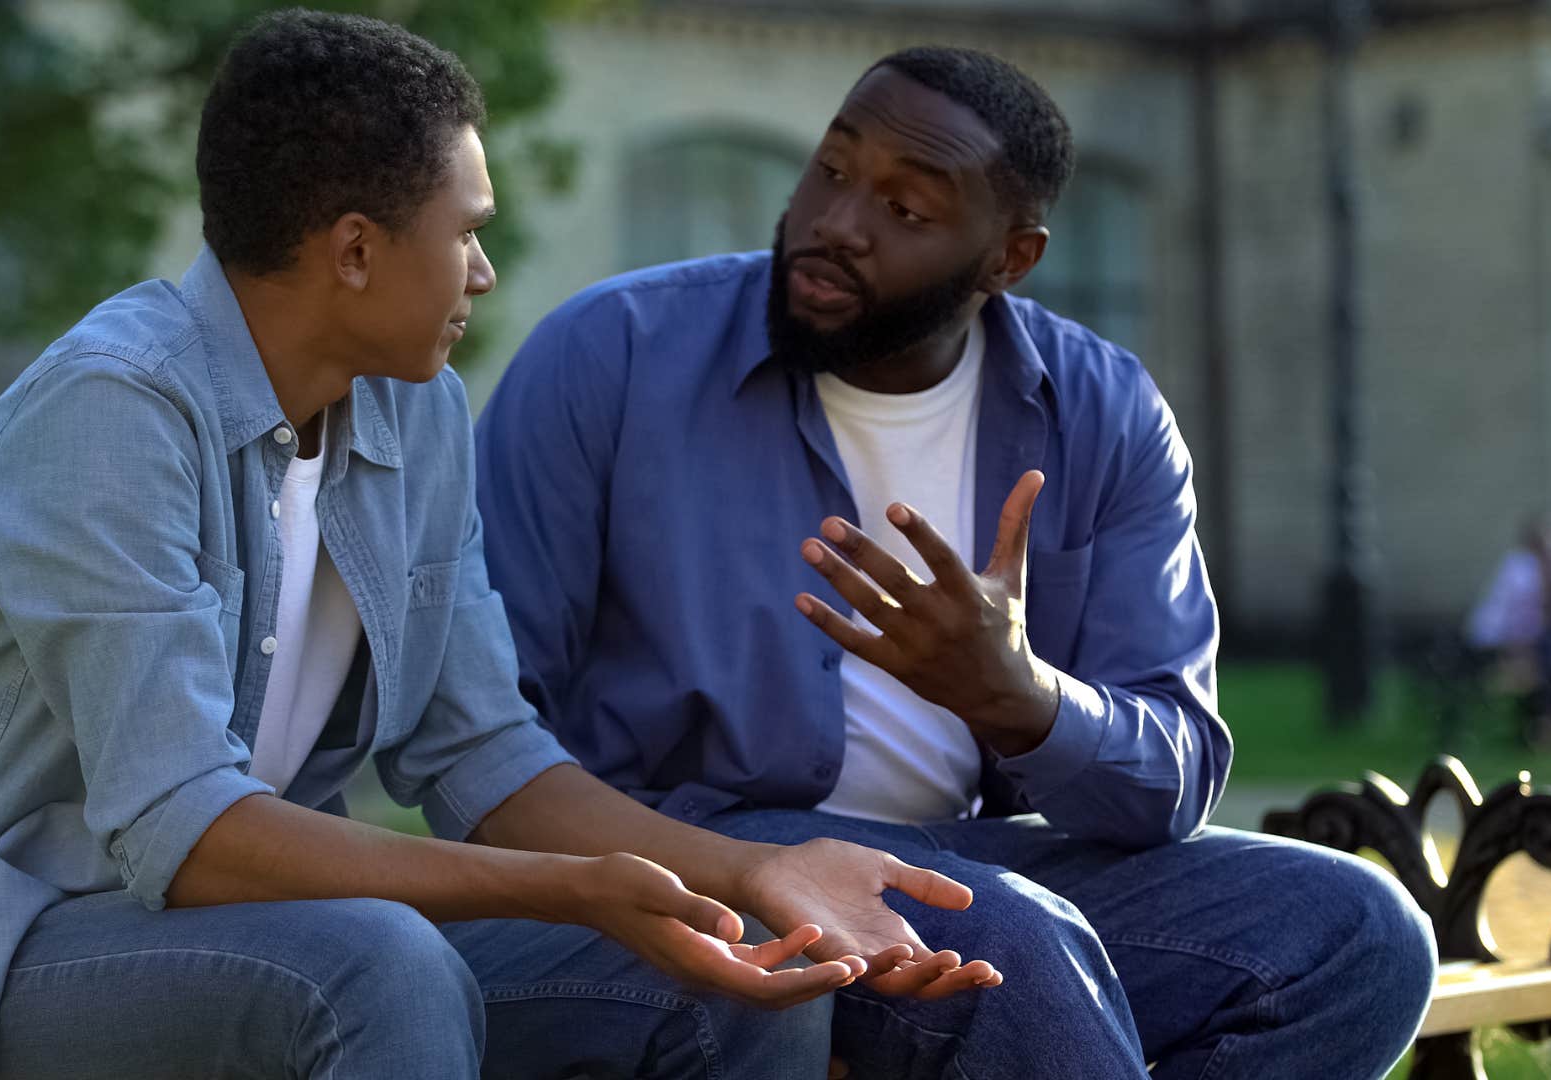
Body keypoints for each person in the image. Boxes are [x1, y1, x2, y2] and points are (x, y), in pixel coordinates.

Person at [0, 14, 998, 1080]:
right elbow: (185, 834)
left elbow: (483, 752)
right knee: (378, 963)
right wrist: (572, 892)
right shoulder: (113, 411)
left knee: (741, 970)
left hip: (253, 940)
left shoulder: (412, 406)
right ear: (354, 252)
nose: (485, 275)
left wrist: (749, 872)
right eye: (468, 234)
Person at [477, 44, 1438, 1078]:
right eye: (832, 171)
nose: (837, 223)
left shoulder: (1102, 413)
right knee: (1012, 941)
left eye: (908, 208)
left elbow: (1171, 777)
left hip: (972, 860)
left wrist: (1021, 698)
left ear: (1008, 260)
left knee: (1359, 933)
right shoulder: (612, 356)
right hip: (709, 862)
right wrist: (713, 870)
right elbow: (486, 722)